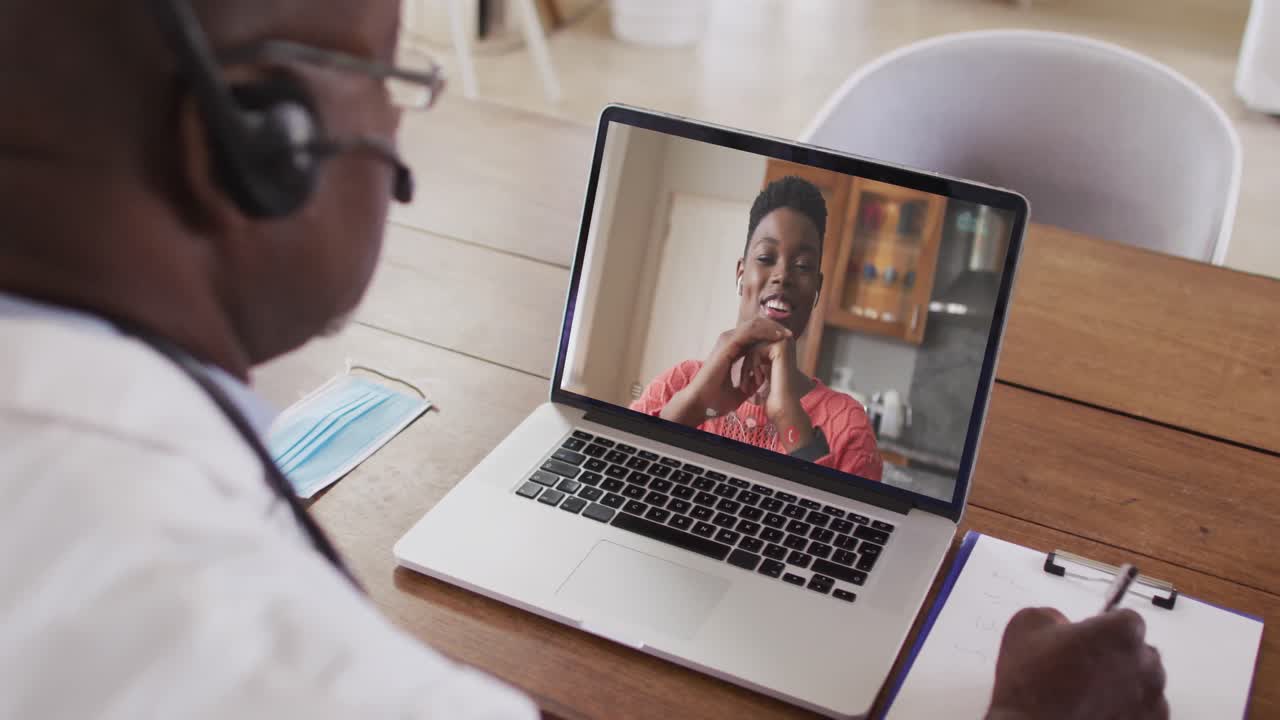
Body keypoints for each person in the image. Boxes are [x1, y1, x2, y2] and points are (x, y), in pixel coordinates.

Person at [0, 1, 1167, 718]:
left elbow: (856, 488)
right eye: (391, 78)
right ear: (262, 147)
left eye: (798, 268)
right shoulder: (310, 678)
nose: (402, 130)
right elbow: (637, 419)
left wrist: (791, 404)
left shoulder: (842, 416)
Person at [632, 176, 884, 481]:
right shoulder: (679, 383)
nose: (782, 275)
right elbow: (623, 474)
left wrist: (787, 414)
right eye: (766, 258)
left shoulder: (849, 425)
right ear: (741, 274)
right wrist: (694, 404)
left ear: (816, 291)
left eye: (802, 266)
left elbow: (840, 527)